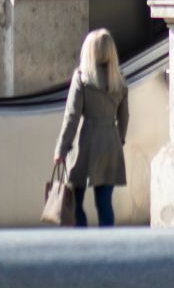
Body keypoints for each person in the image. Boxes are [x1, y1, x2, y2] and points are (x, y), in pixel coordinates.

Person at [54, 28, 128, 228]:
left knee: (75, 201)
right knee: (104, 203)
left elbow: (72, 116)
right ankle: (107, 243)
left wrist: (61, 149)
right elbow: (124, 117)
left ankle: (84, 240)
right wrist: (119, 139)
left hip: (85, 144)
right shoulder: (118, 81)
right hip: (110, 144)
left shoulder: (82, 79)